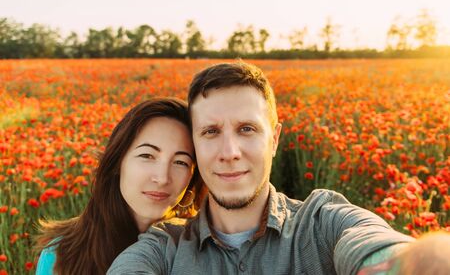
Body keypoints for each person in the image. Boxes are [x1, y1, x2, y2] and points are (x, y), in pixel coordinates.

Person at [108, 62, 414, 275]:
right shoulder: (164, 248)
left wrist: (429, 261)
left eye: (246, 129)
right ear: (196, 146)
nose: (229, 153)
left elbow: (379, 247)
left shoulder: (323, 224)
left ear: (275, 139)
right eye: (211, 132)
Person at [35, 98, 205, 274]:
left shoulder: (202, 253)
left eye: (180, 162)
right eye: (147, 155)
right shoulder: (61, 255)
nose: (162, 178)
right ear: (117, 162)